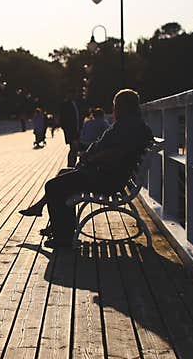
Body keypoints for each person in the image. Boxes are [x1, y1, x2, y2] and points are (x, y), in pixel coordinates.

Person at [18, 89, 154, 248]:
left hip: (107, 179)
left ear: (121, 107)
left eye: (115, 106)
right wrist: (89, 157)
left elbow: (117, 153)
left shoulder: (127, 126)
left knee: (53, 186)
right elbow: (116, 150)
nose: (114, 110)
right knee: (63, 175)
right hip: (109, 174)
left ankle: (63, 236)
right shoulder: (132, 124)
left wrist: (91, 158)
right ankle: (58, 227)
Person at [57, 98, 82, 166]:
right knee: (74, 147)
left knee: (75, 149)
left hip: (77, 130)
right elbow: (62, 118)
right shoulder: (65, 105)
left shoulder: (77, 103)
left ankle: (72, 164)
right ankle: (71, 164)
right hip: (70, 130)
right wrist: (65, 129)